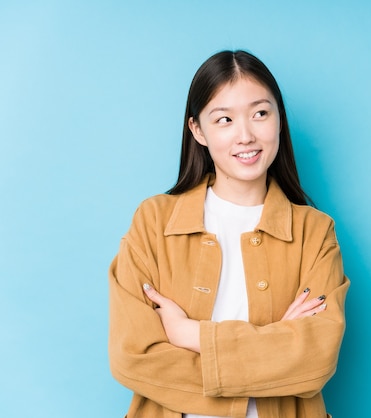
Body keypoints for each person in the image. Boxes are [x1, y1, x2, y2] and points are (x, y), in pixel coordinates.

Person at [108, 50, 349, 418]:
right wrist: (275, 347)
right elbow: (133, 357)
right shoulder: (154, 222)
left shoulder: (314, 232)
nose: (246, 135)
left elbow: (316, 361)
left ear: (279, 120)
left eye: (260, 113)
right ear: (198, 130)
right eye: (224, 119)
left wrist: (188, 334)